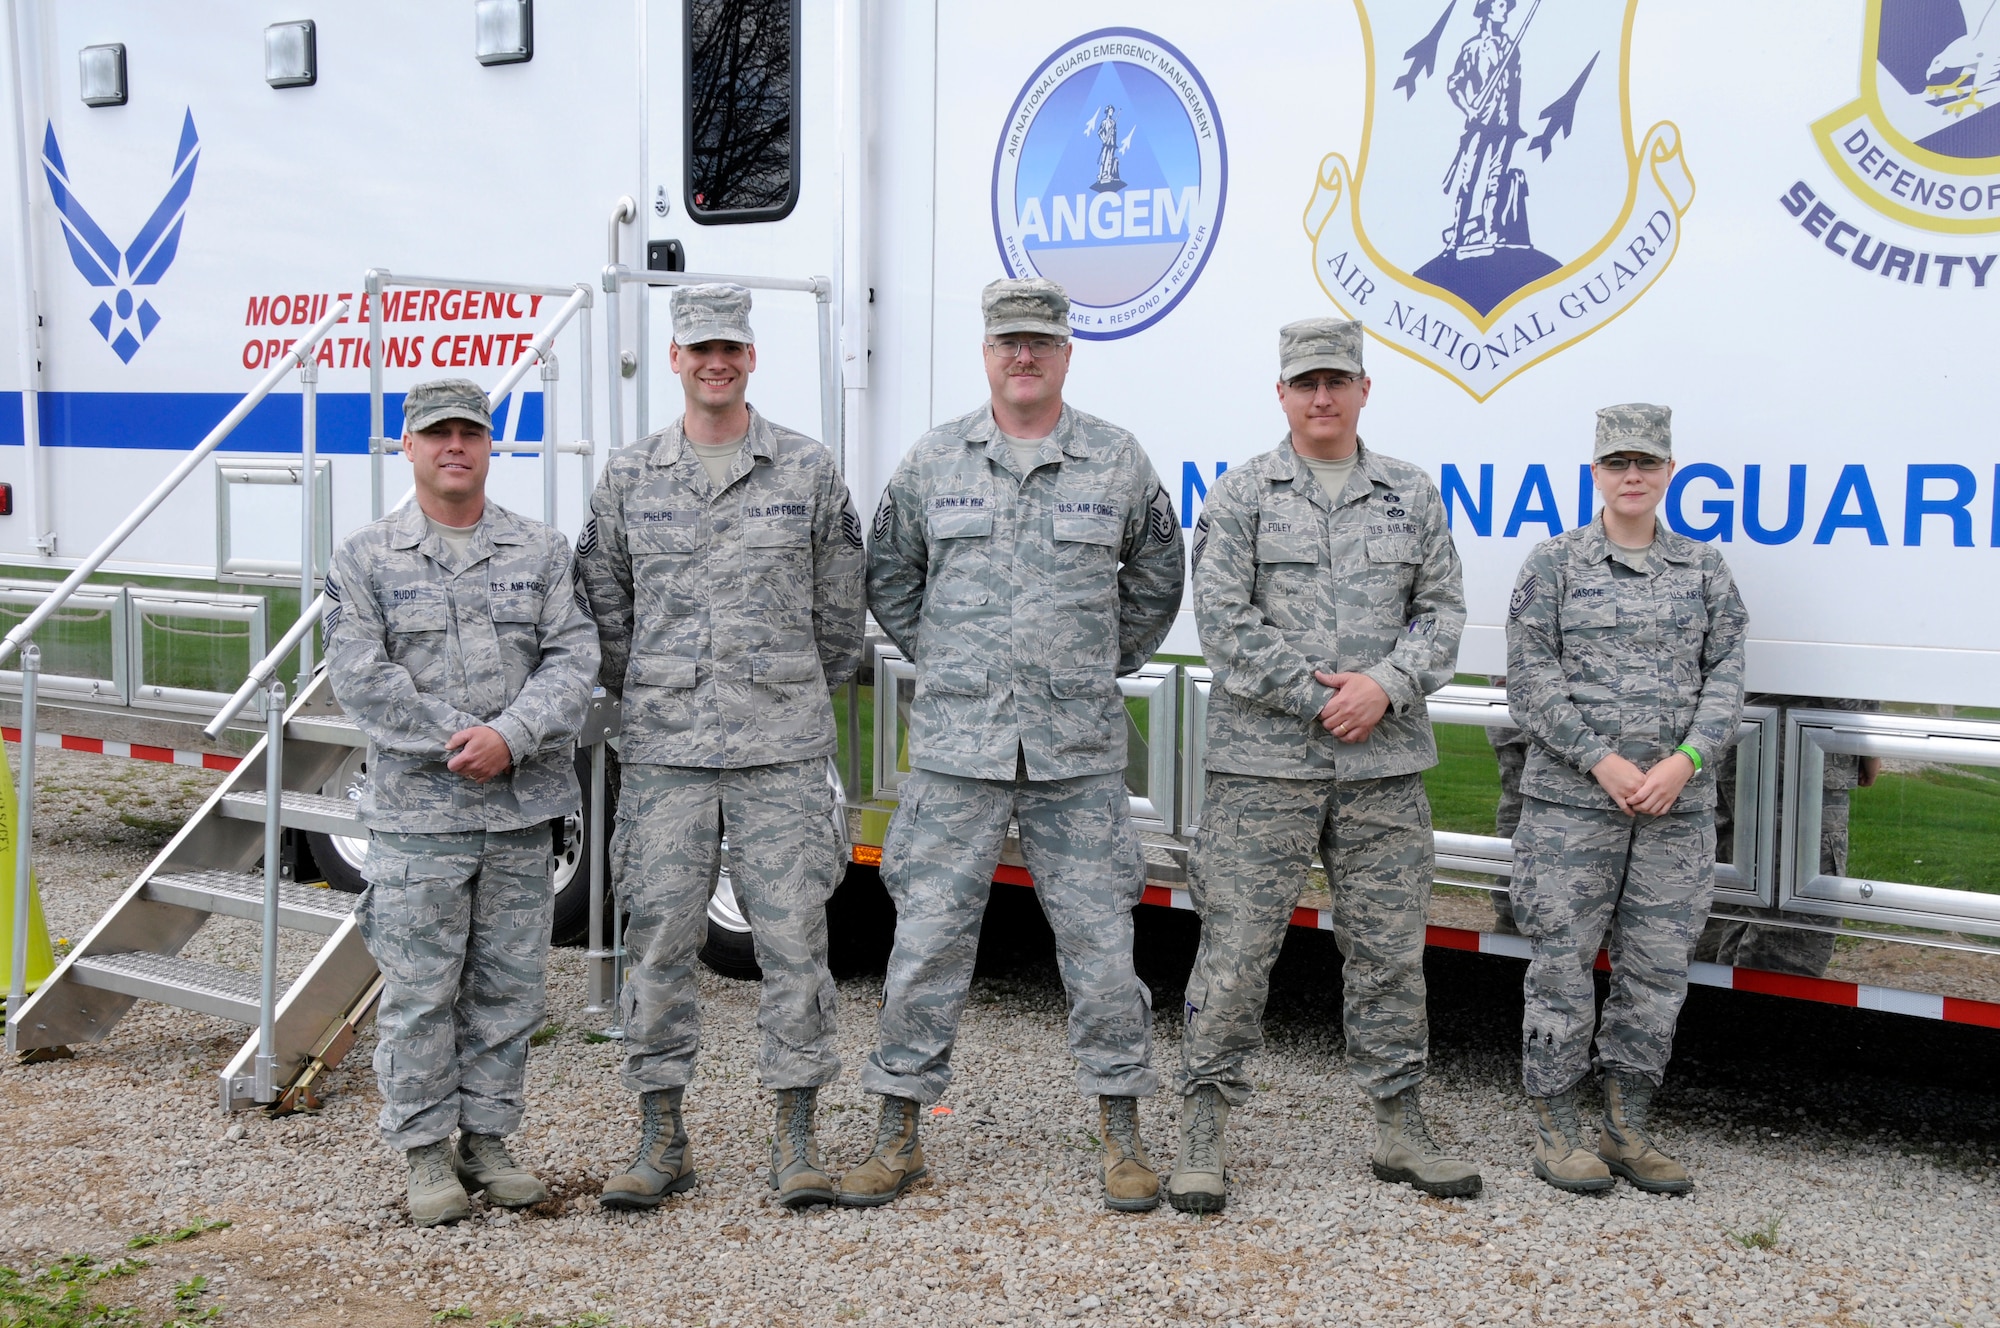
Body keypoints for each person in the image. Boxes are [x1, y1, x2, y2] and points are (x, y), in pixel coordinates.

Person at [849, 277, 1184, 1212]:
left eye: (1041, 341)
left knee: (1102, 947)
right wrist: (958, 661)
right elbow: (892, 577)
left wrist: (1089, 662)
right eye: (1009, 342)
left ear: (1067, 352)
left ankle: (1122, 1136)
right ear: (987, 353)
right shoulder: (932, 461)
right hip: (959, 749)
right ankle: (897, 1132)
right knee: (925, 940)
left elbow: (1158, 576)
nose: (1025, 356)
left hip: (1075, 754)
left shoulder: (1116, 462)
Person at [574, 283, 865, 1211]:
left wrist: (777, 688)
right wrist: (658, 689)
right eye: (700, 347)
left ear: (750, 357)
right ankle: (662, 1138)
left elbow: (839, 613)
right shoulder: (629, 476)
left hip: (780, 747)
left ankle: (796, 1138)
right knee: (659, 938)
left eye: (730, 349)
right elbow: (605, 611)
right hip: (665, 751)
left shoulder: (808, 471)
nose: (716, 362)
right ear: (675, 357)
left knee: (793, 942)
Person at [1171, 317, 1471, 1213]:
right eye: (1306, 383)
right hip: (1264, 769)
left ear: (1364, 390)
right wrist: (1321, 698)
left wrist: (1385, 683)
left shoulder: (1410, 493)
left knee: (1388, 953)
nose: (1323, 396)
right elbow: (1223, 623)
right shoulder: (1241, 495)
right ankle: (1203, 1127)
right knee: (1236, 951)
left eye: (1338, 379)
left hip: (1382, 771)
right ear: (1283, 395)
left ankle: (1400, 1124)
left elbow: (1443, 613)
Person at [324, 377, 600, 1227]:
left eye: (470, 434)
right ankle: (422, 1153)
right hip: (420, 818)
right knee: (420, 990)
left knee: (509, 988)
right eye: (437, 433)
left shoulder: (543, 551)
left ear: (489, 447)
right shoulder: (366, 556)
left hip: (520, 817)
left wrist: (511, 736)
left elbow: (575, 654)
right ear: (406, 446)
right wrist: (461, 738)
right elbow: (359, 675)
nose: (455, 447)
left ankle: (487, 1141)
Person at [1504, 403, 1747, 1196]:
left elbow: (1728, 676)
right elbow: (1530, 679)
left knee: (1656, 969)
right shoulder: (1554, 564)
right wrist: (1598, 760)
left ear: (1670, 471)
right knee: (1563, 966)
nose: (1632, 476)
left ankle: (1625, 1126)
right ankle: (1555, 1128)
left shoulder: (1704, 568)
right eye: (1617, 463)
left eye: (1646, 462)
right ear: (1596, 472)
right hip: (1574, 806)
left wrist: (1686, 761)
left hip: (1674, 809)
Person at [1697, 696, 1881, 976]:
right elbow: (1842, 669)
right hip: (1799, 755)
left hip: (1741, 742)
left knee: (1741, 911)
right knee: (1792, 930)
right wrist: (1869, 742)